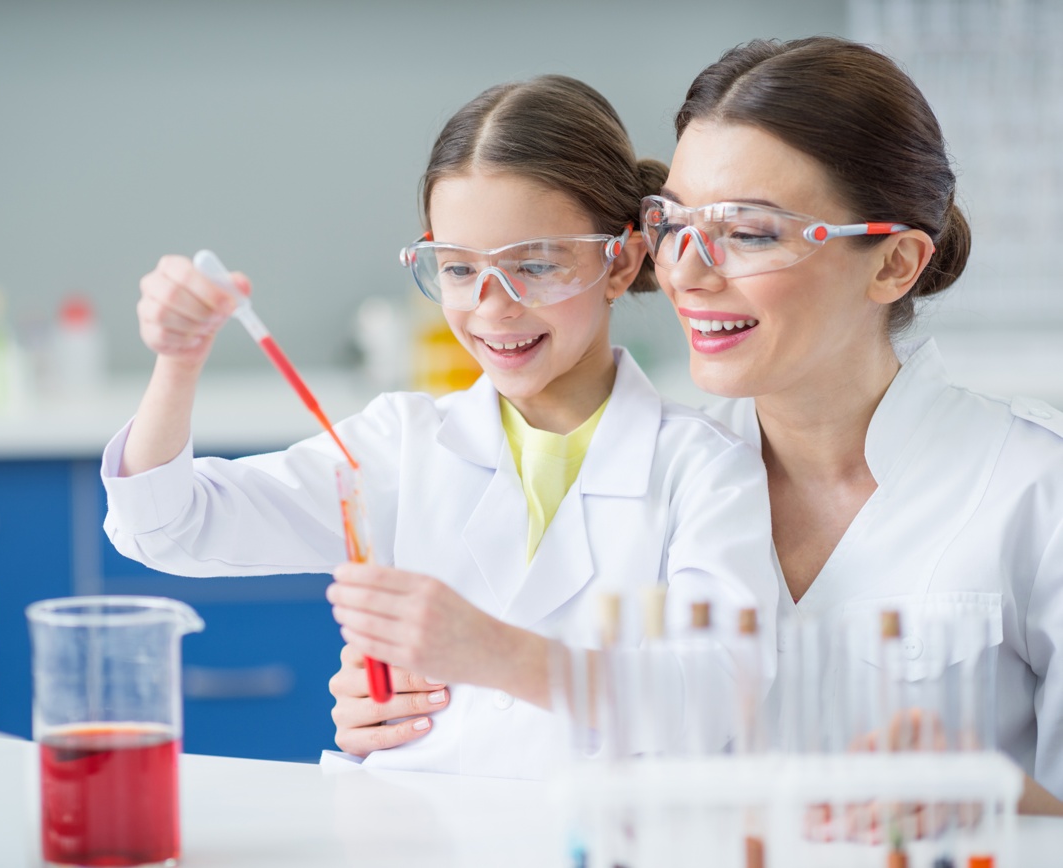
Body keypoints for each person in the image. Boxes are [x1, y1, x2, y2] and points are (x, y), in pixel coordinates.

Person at [330, 38, 1063, 813]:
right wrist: (418, 701)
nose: (684, 269)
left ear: (894, 264)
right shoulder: (653, 466)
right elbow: (551, 706)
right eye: (672, 222)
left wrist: (992, 802)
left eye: (749, 233)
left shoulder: (1034, 493)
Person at [102, 74, 778, 778]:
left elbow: (717, 695)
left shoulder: (702, 468)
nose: (493, 308)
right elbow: (168, 526)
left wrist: (501, 655)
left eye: (535, 265)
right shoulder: (400, 445)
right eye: (458, 269)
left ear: (623, 260)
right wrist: (177, 364)